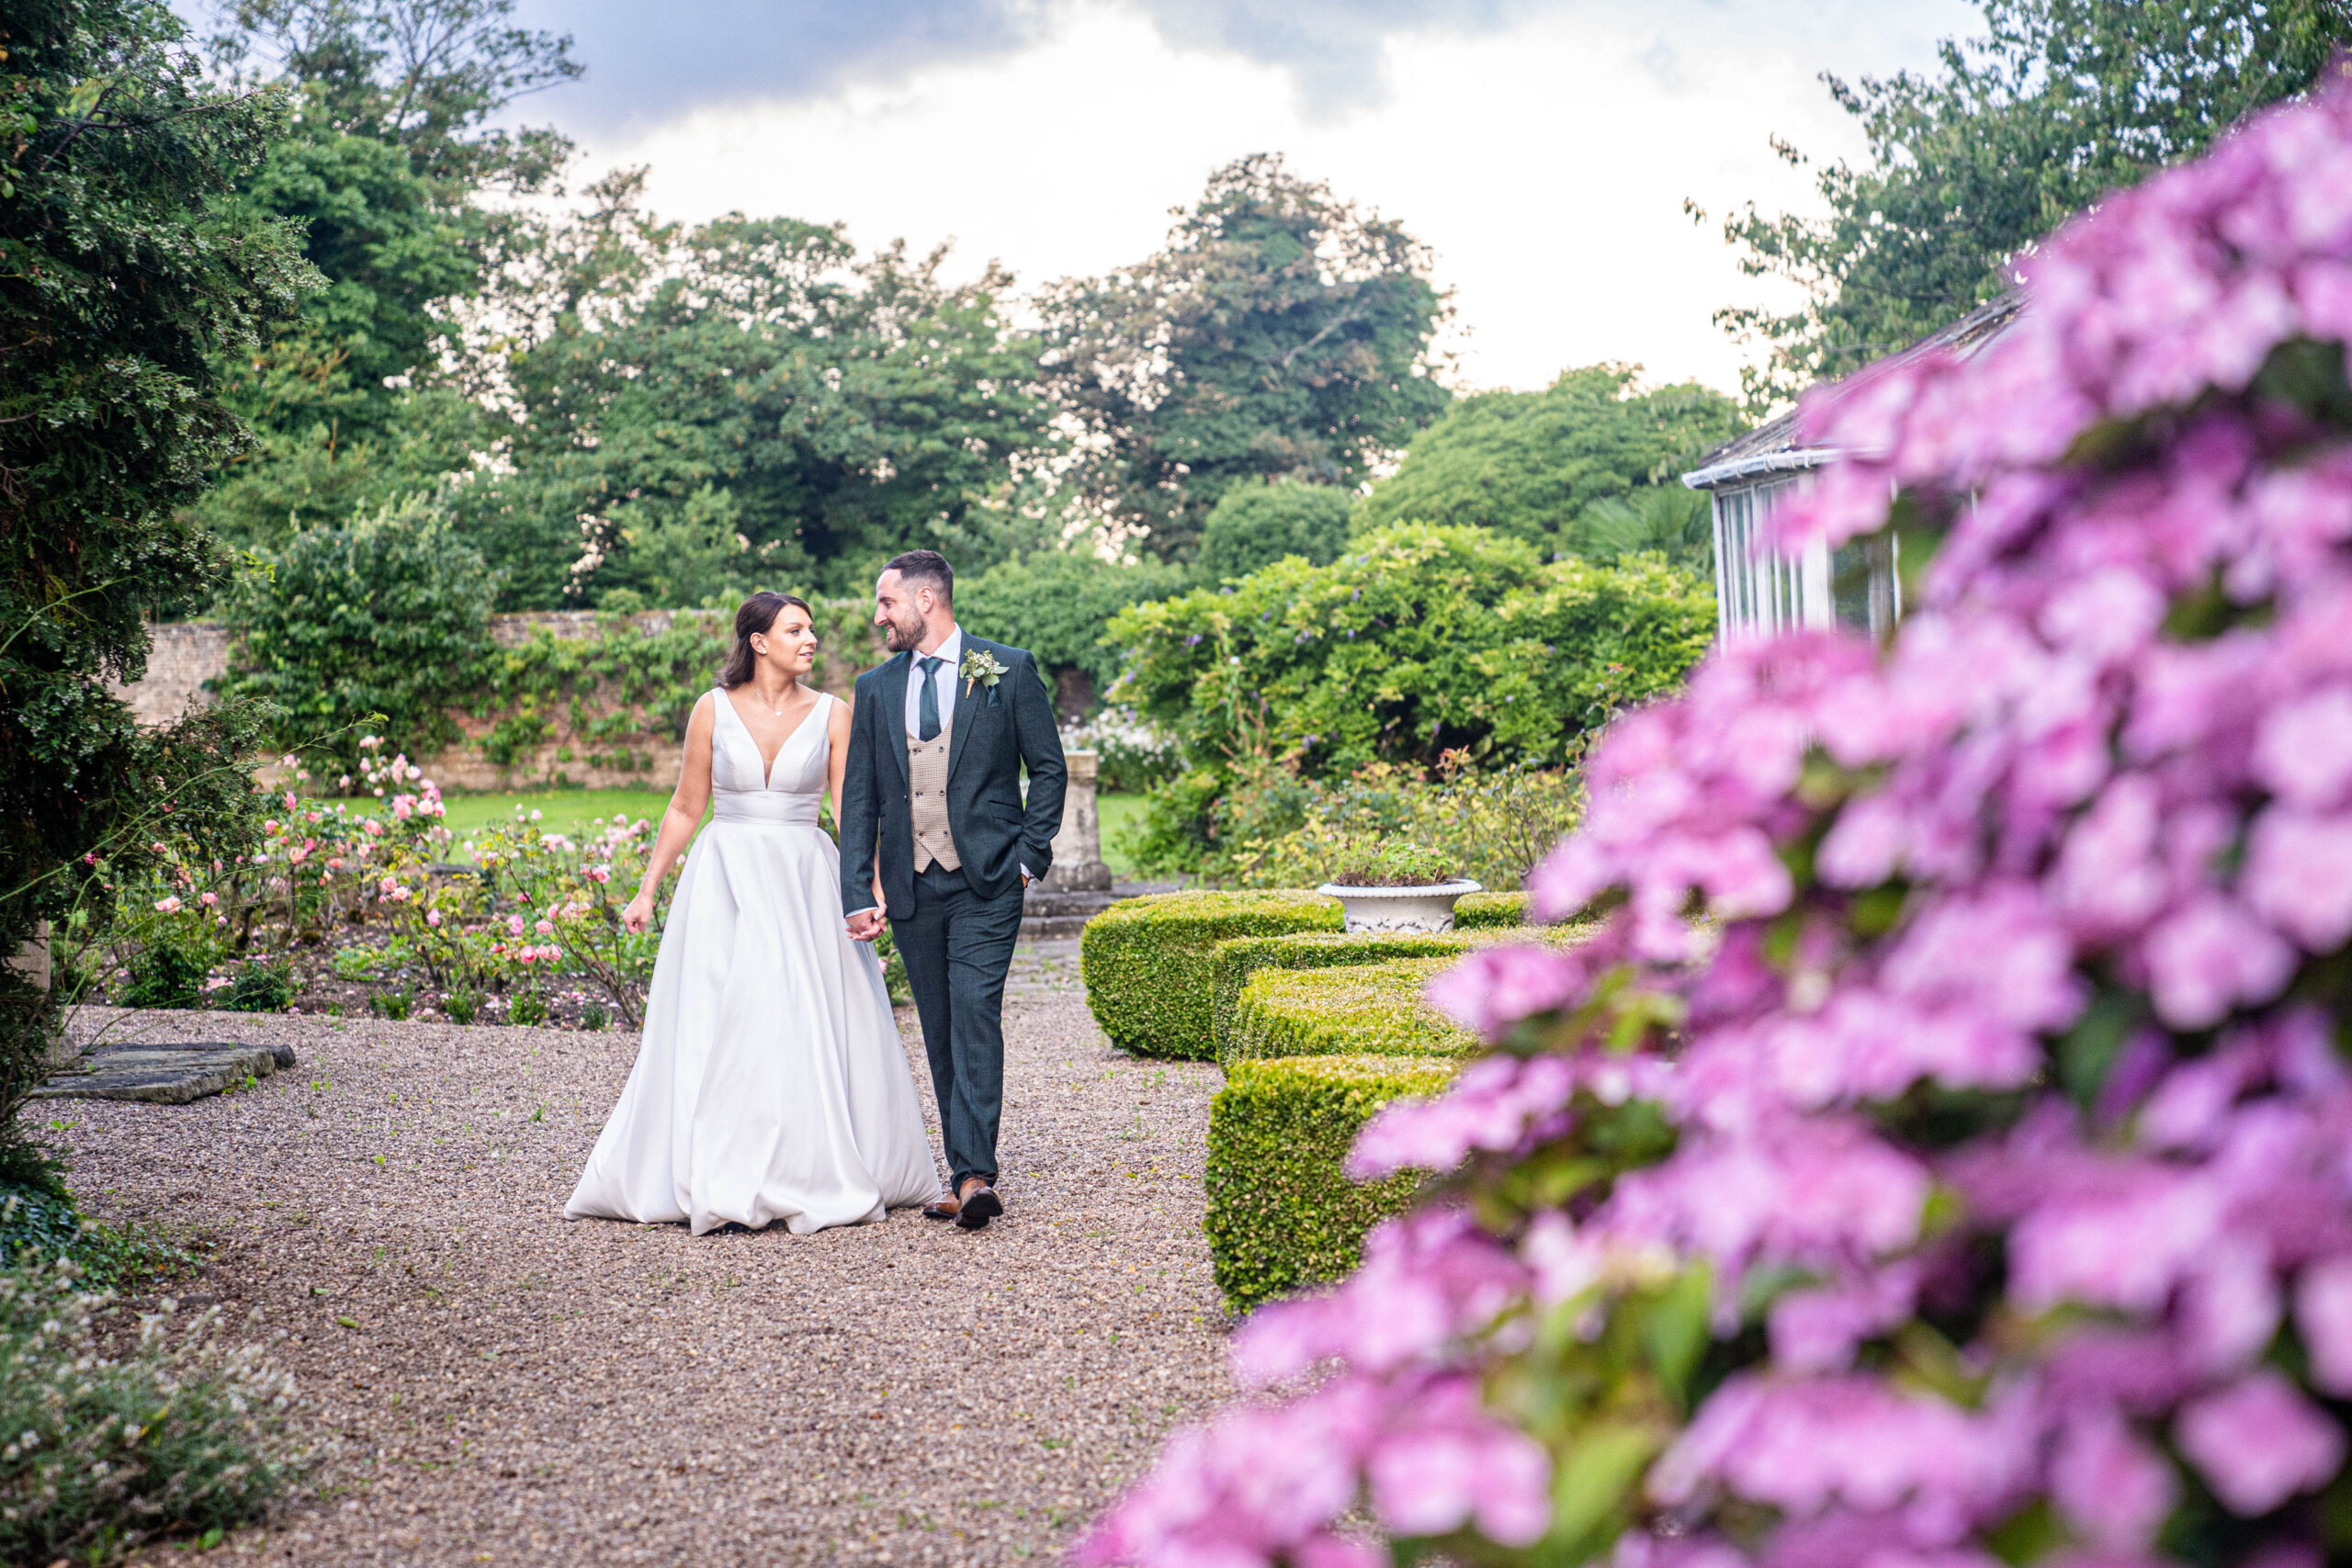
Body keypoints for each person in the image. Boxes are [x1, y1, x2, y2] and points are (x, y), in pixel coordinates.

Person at [565, 592, 942, 1235]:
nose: (810, 638)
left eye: (811, 628)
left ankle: (805, 1165)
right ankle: (721, 1171)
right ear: (759, 641)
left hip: (804, 879)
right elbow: (686, 806)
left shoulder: (834, 714)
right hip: (725, 880)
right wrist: (647, 888)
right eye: (795, 628)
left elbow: (854, 813)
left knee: (800, 1016)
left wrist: (870, 888)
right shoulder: (711, 710)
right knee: (724, 1020)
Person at [838, 550, 1066, 1231]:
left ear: (926, 600)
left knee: (973, 1011)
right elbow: (860, 798)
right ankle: (964, 1167)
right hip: (912, 887)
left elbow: (1048, 769)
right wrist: (857, 887)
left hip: (989, 882)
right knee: (937, 1027)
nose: (879, 616)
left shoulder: (1009, 669)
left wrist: (1029, 858)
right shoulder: (876, 687)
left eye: (886, 603)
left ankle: (974, 1175)